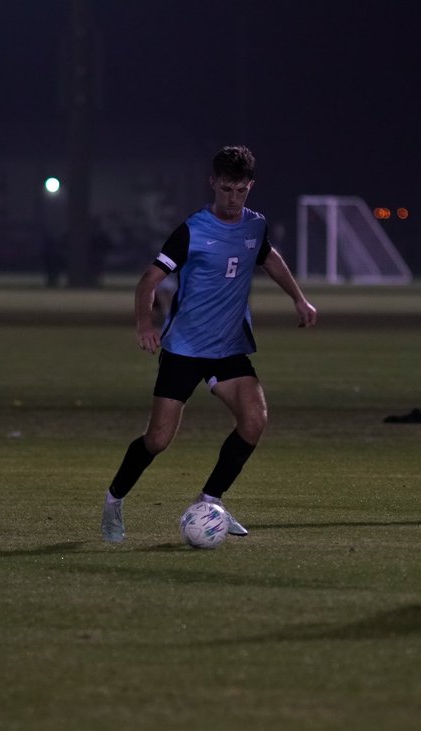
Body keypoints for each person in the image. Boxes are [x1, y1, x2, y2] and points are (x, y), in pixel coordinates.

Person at [100, 145, 318, 543]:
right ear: (213, 183)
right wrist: (145, 323)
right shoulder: (192, 230)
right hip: (184, 349)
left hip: (230, 348)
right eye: (226, 190)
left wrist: (298, 298)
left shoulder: (255, 226)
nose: (233, 199)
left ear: (250, 186)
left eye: (240, 191)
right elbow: (149, 280)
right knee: (158, 440)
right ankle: (114, 500)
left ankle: (209, 500)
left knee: (254, 420)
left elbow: (270, 259)